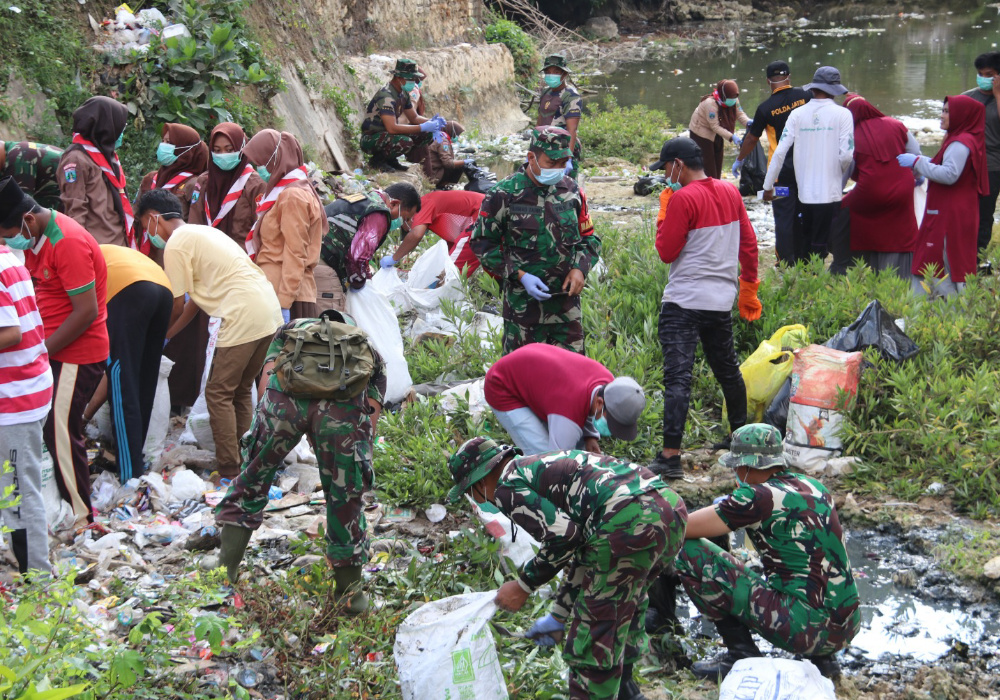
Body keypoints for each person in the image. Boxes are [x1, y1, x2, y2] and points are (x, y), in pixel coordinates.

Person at [446, 437, 687, 700]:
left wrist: (523, 585)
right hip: (669, 510)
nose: (474, 499)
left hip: (628, 522)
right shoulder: (538, 467)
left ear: (479, 482)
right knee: (625, 604)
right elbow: (584, 548)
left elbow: (564, 537)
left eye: (469, 491)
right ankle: (627, 692)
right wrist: (559, 615)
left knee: (594, 637)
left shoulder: (506, 486)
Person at [209, 310, 385, 614]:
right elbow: (371, 411)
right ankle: (351, 598)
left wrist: (269, 425)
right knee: (345, 498)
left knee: (253, 479)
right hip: (341, 413)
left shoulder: (290, 329)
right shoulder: (366, 346)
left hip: (283, 403)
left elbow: (268, 379)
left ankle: (225, 571)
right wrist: (354, 456)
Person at [676, 424, 860, 681]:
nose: (735, 473)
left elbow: (683, 528)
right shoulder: (814, 486)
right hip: (847, 625)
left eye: (736, 467)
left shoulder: (756, 496)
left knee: (688, 551)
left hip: (804, 630)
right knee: (806, 574)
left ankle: (740, 652)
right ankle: (824, 660)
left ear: (746, 466)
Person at [136, 189, 282, 481]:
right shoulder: (201, 232)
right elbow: (194, 304)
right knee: (239, 389)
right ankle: (247, 463)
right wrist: (168, 336)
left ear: (153, 219)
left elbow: (177, 304)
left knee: (218, 393)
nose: (148, 235)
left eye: (144, 227)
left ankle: (229, 469)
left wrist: (154, 336)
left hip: (242, 313)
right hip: (267, 309)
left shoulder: (176, 244)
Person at [648, 137, 761, 479]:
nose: (665, 175)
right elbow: (749, 243)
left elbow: (666, 251)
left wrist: (665, 210)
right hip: (720, 301)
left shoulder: (682, 198)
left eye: (666, 168)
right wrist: (748, 288)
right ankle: (739, 441)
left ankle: (670, 457)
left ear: (679, 165)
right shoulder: (730, 192)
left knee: (678, 377)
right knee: (728, 370)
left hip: (683, 301)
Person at [0, 178, 108, 524]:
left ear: (28, 220)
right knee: (52, 428)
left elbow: (86, 312)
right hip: (55, 348)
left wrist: (40, 351)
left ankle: (83, 515)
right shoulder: (39, 237)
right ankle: (63, 505)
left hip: (77, 352)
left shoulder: (67, 242)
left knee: (61, 430)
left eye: (8, 235)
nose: (9, 242)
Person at [471, 126, 600, 355]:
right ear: (531, 157)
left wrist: (579, 269)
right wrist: (519, 275)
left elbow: (589, 238)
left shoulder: (571, 191)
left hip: (566, 310)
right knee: (523, 373)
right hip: (522, 312)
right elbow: (482, 244)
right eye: (551, 163)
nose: (558, 169)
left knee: (570, 372)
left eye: (563, 163)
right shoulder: (503, 194)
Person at [174, 122, 266, 408]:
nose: (223, 155)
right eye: (217, 150)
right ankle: (191, 400)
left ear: (241, 149)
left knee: (228, 341)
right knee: (197, 335)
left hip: (237, 273)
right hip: (205, 270)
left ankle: (221, 404)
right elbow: (193, 224)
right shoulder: (202, 182)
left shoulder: (254, 185)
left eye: (229, 149)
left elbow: (259, 233)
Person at [82, 245, 175, 482]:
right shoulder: (94, 250)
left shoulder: (62, 263)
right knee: (143, 380)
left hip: (130, 290)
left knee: (122, 382)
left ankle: (129, 474)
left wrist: (81, 416)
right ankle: (135, 463)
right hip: (163, 288)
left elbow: (109, 372)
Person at [763, 66, 854, 266]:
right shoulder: (843, 114)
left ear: (813, 88)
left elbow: (780, 152)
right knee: (821, 243)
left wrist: (768, 186)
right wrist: (836, 174)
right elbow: (847, 155)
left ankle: (804, 275)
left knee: (804, 240)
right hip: (829, 193)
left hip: (804, 192)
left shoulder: (797, 114)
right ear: (834, 91)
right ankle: (816, 275)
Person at [483, 344, 646, 455]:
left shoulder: (608, 385)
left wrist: (590, 436)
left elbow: (587, 402)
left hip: (534, 376)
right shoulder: (568, 411)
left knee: (578, 450)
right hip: (502, 386)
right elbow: (556, 464)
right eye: (610, 421)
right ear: (600, 403)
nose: (611, 428)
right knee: (543, 458)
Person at [900, 95, 989, 297]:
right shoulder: (967, 139)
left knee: (942, 260)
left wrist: (917, 162)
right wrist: (923, 160)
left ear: (962, 115)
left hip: (949, 215)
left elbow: (950, 174)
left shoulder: (960, 143)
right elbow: (950, 167)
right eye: (943, 110)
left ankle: (944, 306)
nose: (942, 115)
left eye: (948, 111)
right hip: (959, 211)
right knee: (954, 260)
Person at [0, 236, 53, 574]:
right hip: (24, 386)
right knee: (13, 486)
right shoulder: (7, 255)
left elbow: (10, 332)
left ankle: (39, 580)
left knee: (19, 492)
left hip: (16, 398)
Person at [732, 61, 810, 264]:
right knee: (805, 213)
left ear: (768, 81)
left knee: (783, 216)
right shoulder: (806, 96)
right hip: (808, 168)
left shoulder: (765, 108)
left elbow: (751, 138)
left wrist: (740, 159)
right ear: (789, 77)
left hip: (781, 174)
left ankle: (785, 261)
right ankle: (806, 258)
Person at [243, 129, 324, 322]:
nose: (258, 169)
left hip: (285, 296)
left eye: (262, 162)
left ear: (275, 159)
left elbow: (296, 252)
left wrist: (284, 303)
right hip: (278, 291)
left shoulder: (292, 196)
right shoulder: (289, 190)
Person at [841, 94, 921, 278]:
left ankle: (862, 265)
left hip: (869, 191)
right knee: (901, 228)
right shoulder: (896, 124)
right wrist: (915, 176)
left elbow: (847, 166)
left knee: (849, 215)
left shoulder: (851, 134)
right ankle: (902, 274)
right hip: (902, 187)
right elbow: (915, 152)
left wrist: (836, 194)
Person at [58, 96, 136, 248]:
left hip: (118, 241)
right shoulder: (76, 159)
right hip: (99, 246)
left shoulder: (105, 156)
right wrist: (80, 249)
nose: (121, 133)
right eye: (120, 127)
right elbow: (75, 209)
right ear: (106, 126)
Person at [322, 182, 420, 293]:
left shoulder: (369, 198)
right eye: (405, 218)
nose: (402, 223)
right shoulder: (379, 214)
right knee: (332, 302)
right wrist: (360, 285)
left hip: (312, 249)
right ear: (394, 204)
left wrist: (366, 278)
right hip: (322, 259)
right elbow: (357, 258)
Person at [359, 58, 446, 172]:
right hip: (371, 138)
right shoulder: (386, 96)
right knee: (405, 141)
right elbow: (392, 128)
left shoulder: (403, 94)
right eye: (410, 79)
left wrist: (432, 122)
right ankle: (377, 161)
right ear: (399, 78)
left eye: (414, 79)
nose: (413, 82)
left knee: (426, 134)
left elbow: (414, 117)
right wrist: (422, 127)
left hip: (387, 136)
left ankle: (391, 159)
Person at [379, 189, 484, 276]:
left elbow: (416, 234)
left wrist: (394, 258)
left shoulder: (422, 205)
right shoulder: (436, 217)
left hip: (483, 214)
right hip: (487, 215)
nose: (408, 230)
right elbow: (452, 251)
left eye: (406, 220)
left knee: (450, 274)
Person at [963, 51, 1000, 266]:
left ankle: (977, 259)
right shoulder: (966, 98)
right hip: (970, 164)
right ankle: (964, 256)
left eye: (989, 74)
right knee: (967, 211)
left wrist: (997, 94)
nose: (984, 78)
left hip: (994, 165)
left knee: (985, 213)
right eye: (980, 74)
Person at [137, 123, 209, 226]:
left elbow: (196, 224)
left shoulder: (194, 184)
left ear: (185, 150)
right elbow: (135, 216)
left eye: (169, 142)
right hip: (145, 236)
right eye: (163, 141)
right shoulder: (150, 178)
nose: (163, 146)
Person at [688, 79, 751, 180]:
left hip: (717, 131)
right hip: (701, 132)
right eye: (731, 98)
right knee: (708, 166)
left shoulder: (733, 99)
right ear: (723, 95)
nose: (733, 100)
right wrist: (731, 136)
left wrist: (748, 122)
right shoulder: (710, 104)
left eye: (734, 98)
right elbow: (715, 126)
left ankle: (716, 183)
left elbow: (740, 114)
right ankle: (709, 186)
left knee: (718, 161)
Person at [536, 53, 583, 180]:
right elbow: (540, 121)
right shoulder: (545, 92)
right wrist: (534, 147)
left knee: (565, 185)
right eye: (548, 72)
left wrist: (568, 158)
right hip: (545, 146)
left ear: (564, 74)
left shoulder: (571, 95)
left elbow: (572, 130)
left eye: (556, 72)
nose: (551, 75)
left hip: (562, 147)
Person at [0, 140, 64, 211]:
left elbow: (21, 205)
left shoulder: (18, 157)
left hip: (69, 196)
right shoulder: (13, 150)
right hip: (57, 194)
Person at [421, 124, 472, 190]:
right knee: (460, 166)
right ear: (452, 132)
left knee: (458, 163)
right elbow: (448, 163)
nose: (457, 137)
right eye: (457, 134)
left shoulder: (439, 137)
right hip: (434, 174)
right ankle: (443, 186)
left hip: (430, 171)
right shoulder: (443, 141)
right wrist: (464, 162)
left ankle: (444, 186)